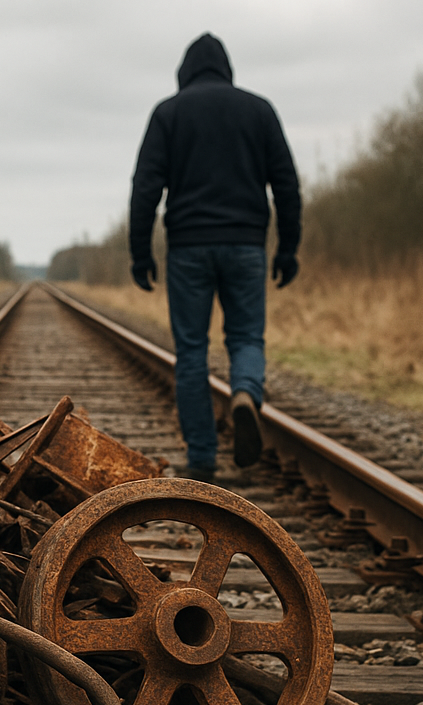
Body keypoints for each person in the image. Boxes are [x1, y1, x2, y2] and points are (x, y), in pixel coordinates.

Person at [128, 32, 301, 482]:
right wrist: (288, 247)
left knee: (191, 351)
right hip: (246, 245)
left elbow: (145, 187)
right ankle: (244, 392)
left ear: (184, 72)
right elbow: (286, 182)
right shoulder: (259, 110)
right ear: (227, 70)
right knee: (246, 338)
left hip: (188, 247)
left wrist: (140, 252)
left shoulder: (168, 113)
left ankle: (203, 457)